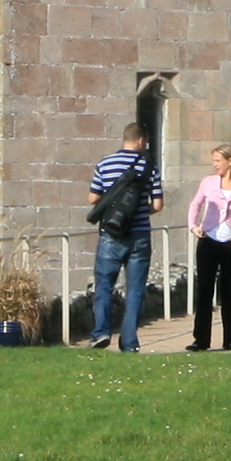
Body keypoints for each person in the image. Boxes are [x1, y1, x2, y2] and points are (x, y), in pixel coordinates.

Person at [84, 126, 157, 350]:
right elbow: (158, 204)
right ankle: (129, 343)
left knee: (104, 286)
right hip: (140, 235)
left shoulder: (106, 163)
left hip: (111, 234)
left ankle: (101, 333)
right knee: (134, 291)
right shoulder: (149, 166)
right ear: (141, 140)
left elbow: (92, 198)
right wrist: (139, 212)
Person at [187, 143, 231, 350]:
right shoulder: (209, 182)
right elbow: (196, 204)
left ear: (230, 161)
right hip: (209, 239)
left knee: (228, 291)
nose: (214, 164)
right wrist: (193, 226)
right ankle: (200, 339)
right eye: (214, 160)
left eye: (218, 160)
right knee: (204, 290)